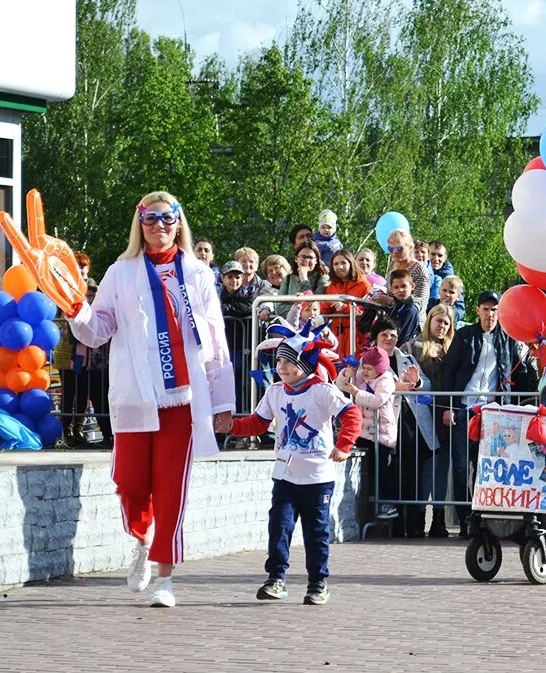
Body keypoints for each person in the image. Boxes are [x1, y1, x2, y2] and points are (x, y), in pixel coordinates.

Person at [66, 191, 235, 607]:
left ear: (179, 223)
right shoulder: (120, 272)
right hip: (136, 396)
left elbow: (214, 337)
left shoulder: (196, 273)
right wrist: (75, 309)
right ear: (139, 224)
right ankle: (141, 542)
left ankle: (165, 577)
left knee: (171, 489)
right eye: (150, 219)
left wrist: (222, 399)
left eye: (167, 218)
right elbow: (97, 329)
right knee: (129, 483)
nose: (159, 226)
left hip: (183, 397)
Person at [230, 336, 361, 605]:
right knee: (279, 527)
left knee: (317, 533)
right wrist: (228, 426)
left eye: (289, 361)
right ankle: (276, 579)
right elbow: (257, 423)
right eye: (279, 360)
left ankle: (318, 584)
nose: (282, 366)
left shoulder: (322, 391)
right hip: (285, 476)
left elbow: (352, 415)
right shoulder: (274, 391)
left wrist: (343, 445)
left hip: (318, 478)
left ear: (304, 363)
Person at [441, 290, 538, 537]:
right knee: (462, 467)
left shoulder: (507, 338)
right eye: (485, 309)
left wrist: (527, 403)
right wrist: (448, 407)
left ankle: (482, 518)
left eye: (494, 309)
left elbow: (520, 374)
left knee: (487, 467)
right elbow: (449, 371)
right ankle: (465, 519)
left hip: (494, 413)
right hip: (464, 409)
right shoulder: (464, 336)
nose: (490, 314)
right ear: (477, 311)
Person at [363, 319, 438, 536]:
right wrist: (391, 388)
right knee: (390, 474)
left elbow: (427, 385)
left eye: (393, 335)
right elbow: (363, 384)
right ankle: (394, 528)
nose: (389, 339)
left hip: (410, 423)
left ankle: (413, 526)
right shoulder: (367, 361)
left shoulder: (407, 358)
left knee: (411, 475)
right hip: (383, 426)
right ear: (375, 338)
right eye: (384, 335)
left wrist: (418, 383)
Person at [407, 304, 457, 538]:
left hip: (446, 415)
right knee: (424, 471)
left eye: (446, 323)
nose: (442, 326)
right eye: (438, 321)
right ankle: (417, 518)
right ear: (430, 321)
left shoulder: (452, 348)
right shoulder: (414, 346)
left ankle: (438, 519)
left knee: (441, 471)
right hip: (422, 415)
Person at [337, 347, 400, 519]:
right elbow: (340, 384)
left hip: (382, 433)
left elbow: (377, 401)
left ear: (379, 369)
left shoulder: (387, 380)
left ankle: (388, 503)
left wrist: (357, 392)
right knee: (367, 469)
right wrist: (347, 373)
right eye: (364, 367)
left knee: (382, 469)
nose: (365, 371)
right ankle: (369, 502)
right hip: (363, 431)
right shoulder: (360, 375)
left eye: (369, 369)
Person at [56, 252, 111, 446]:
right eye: (79, 271)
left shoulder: (91, 290)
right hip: (68, 352)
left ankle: (77, 432)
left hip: (89, 355)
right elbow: (68, 326)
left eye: (85, 272)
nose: (83, 276)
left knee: (83, 393)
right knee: (70, 392)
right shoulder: (62, 290)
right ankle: (67, 433)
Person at [218, 260, 256, 408]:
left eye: (238, 277)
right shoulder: (217, 294)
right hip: (224, 345)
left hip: (242, 346)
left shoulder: (249, 292)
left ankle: (240, 413)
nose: (234, 280)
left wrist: (228, 308)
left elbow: (248, 308)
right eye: (230, 276)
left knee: (241, 382)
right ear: (223, 278)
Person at [324, 249, 373, 359]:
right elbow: (325, 310)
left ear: (351, 263)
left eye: (343, 263)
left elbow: (367, 313)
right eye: (336, 264)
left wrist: (345, 307)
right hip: (337, 336)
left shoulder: (364, 285)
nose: (339, 267)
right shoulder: (331, 287)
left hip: (357, 336)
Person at [385, 229, 430, 324]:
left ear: (410, 247)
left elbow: (420, 302)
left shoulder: (419, 269)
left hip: (414, 324)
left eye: (399, 248)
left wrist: (391, 301)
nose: (395, 252)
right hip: (392, 322)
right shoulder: (392, 269)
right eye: (391, 249)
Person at [382, 269, 421, 346]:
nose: (400, 290)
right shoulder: (393, 306)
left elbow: (402, 337)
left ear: (412, 286)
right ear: (392, 289)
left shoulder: (411, 309)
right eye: (396, 287)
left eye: (404, 286)